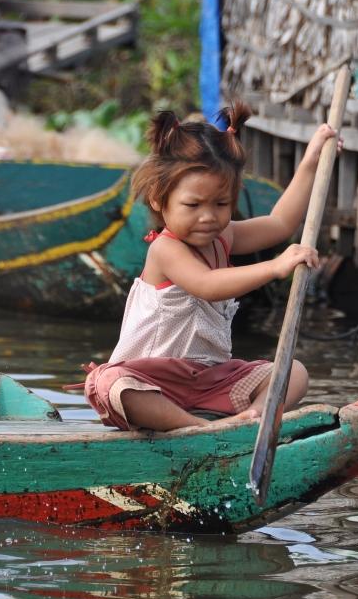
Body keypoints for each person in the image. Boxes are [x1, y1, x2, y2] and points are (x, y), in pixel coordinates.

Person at [81, 102, 340, 431]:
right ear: (160, 201)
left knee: (294, 372)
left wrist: (311, 162)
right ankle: (197, 429)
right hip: (151, 380)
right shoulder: (165, 248)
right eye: (193, 205)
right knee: (111, 382)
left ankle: (253, 419)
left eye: (221, 204)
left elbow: (280, 223)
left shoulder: (224, 236)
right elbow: (207, 283)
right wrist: (275, 267)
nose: (208, 216)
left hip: (209, 381)